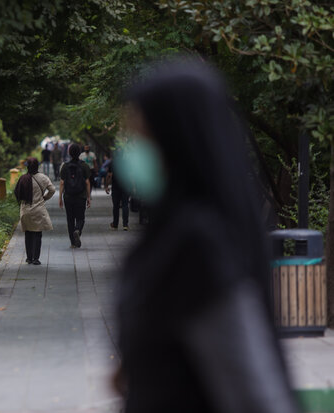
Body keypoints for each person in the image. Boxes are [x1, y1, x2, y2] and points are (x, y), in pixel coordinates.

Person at [115, 58, 299, 413]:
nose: (133, 149)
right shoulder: (169, 231)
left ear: (176, 139)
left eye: (141, 135)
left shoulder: (198, 242)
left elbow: (254, 394)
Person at [14, 157, 55, 265]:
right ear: (37, 166)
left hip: (26, 210)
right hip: (38, 210)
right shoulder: (43, 178)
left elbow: (17, 193)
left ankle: (29, 258)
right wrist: (45, 197)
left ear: (28, 166)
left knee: (28, 233)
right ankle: (36, 258)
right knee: (37, 234)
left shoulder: (23, 178)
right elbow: (52, 190)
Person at [59, 144, 91, 248]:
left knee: (70, 219)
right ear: (80, 153)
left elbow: (62, 183)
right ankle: (78, 230)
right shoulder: (84, 165)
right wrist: (89, 197)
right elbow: (87, 182)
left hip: (68, 197)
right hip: (81, 196)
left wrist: (60, 197)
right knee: (80, 217)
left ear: (69, 153)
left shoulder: (65, 166)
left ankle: (73, 243)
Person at [105, 156, 129, 230]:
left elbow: (109, 175)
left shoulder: (113, 163)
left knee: (116, 206)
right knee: (125, 205)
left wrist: (107, 186)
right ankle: (125, 225)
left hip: (116, 187)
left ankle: (115, 224)